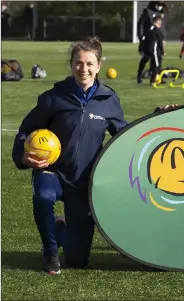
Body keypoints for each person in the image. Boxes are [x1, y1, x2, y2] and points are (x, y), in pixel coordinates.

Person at [11, 36, 174, 275]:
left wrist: (155, 117)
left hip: (84, 180)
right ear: (71, 64)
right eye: (78, 63)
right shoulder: (53, 97)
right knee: (43, 196)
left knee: (77, 260)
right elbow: (25, 131)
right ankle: (50, 251)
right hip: (53, 170)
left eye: (89, 64)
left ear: (98, 66)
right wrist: (22, 157)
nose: (83, 69)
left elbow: (124, 134)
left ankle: (59, 229)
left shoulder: (108, 100)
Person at [136, 16, 165, 85]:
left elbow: (143, 39)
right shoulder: (157, 30)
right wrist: (162, 51)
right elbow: (161, 42)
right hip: (152, 50)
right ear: (158, 22)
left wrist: (140, 48)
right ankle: (153, 80)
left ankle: (139, 77)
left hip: (145, 49)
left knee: (143, 61)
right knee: (156, 64)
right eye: (160, 23)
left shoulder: (148, 29)